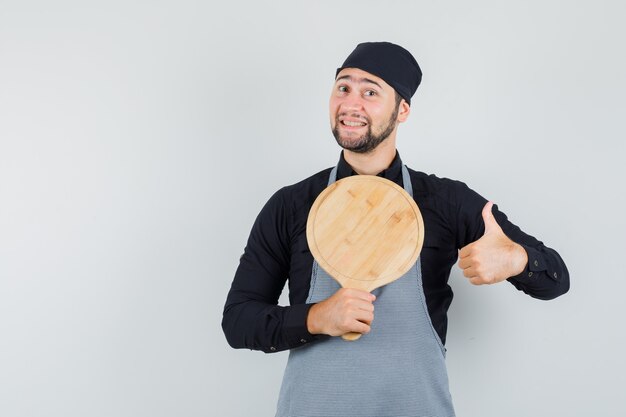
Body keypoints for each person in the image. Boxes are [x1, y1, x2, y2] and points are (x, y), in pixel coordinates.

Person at [222, 41, 569, 417]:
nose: (351, 104)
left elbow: (556, 280)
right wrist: (316, 317)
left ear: (402, 110)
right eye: (343, 87)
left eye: (370, 91)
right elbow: (238, 321)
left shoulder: (446, 201)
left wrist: (518, 260)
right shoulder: (291, 205)